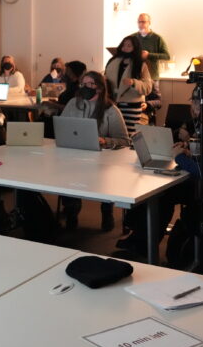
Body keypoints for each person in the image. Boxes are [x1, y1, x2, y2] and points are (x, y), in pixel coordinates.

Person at [58, 71, 129, 230]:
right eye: (84, 84)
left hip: (101, 159)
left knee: (103, 175)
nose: (86, 87)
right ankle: (71, 212)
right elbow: (62, 128)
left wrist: (105, 141)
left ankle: (106, 210)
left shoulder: (111, 109)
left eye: (91, 84)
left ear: (100, 88)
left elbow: (124, 141)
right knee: (65, 173)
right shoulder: (72, 104)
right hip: (74, 156)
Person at [104, 35, 152, 136]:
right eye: (124, 45)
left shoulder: (140, 64)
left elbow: (148, 87)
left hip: (132, 106)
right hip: (114, 103)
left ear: (135, 47)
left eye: (129, 46)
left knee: (130, 134)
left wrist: (134, 82)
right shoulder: (113, 62)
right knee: (116, 132)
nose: (125, 48)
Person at [132, 13, 170, 85]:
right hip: (136, 77)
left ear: (149, 23)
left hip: (152, 77)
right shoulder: (132, 37)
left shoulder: (157, 38)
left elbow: (167, 56)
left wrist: (149, 55)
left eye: (143, 22)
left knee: (153, 96)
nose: (141, 24)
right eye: (139, 22)